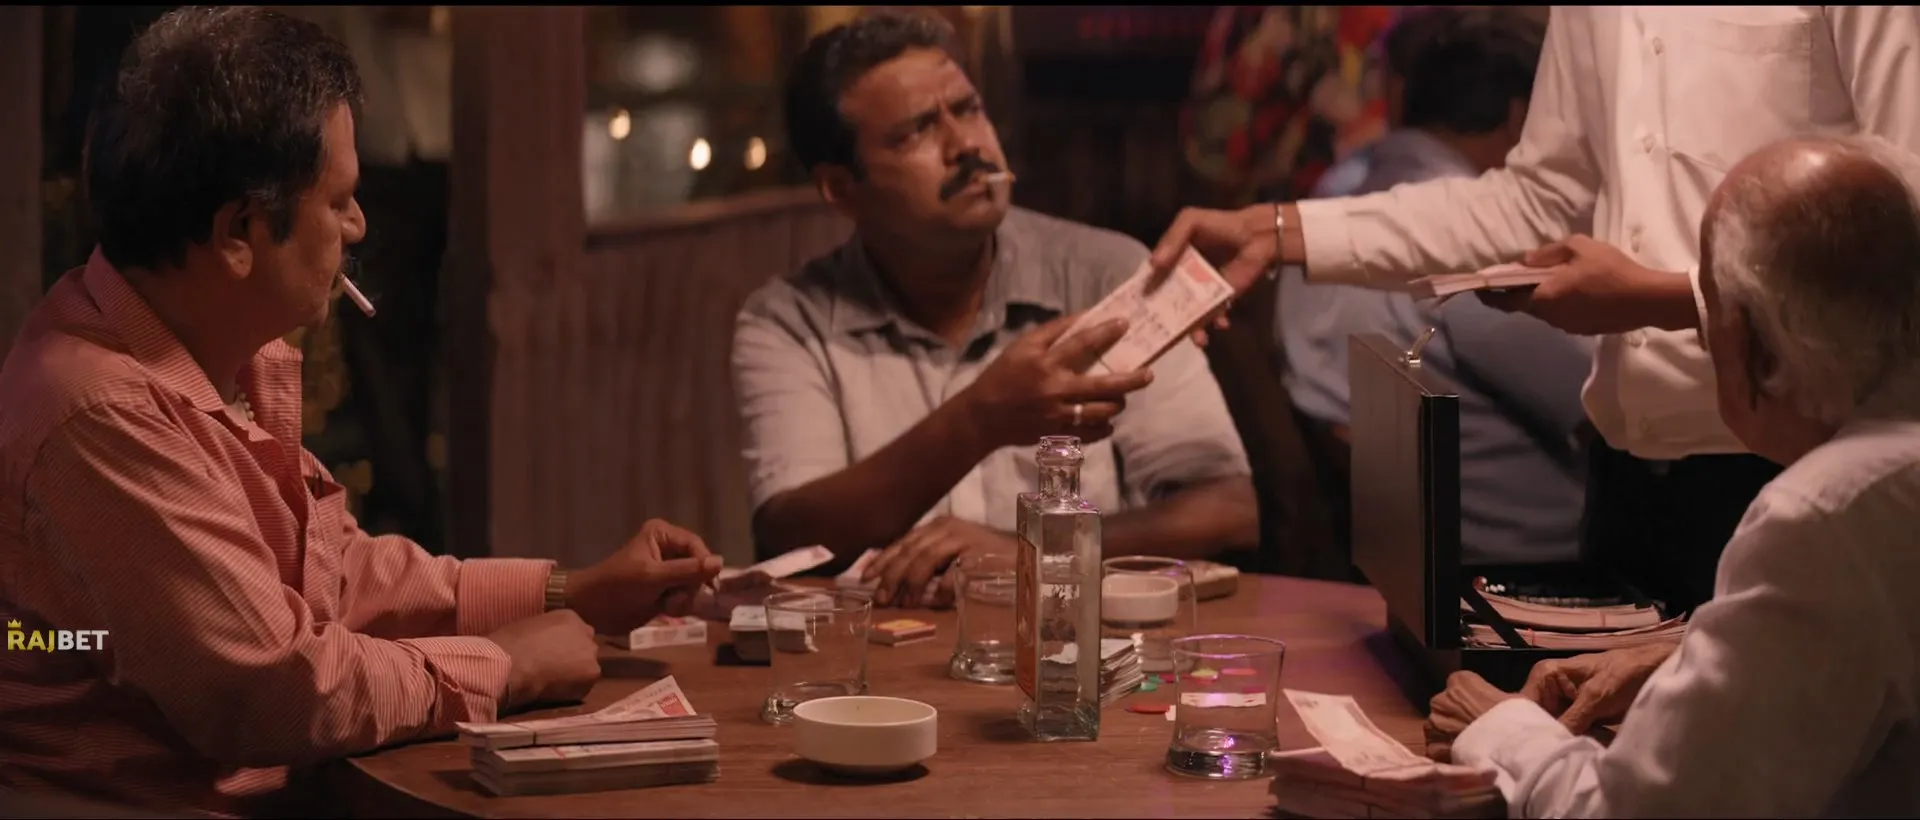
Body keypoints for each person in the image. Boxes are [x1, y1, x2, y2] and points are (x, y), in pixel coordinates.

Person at [0, 8, 721, 816]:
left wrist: (569, 591)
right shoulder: (102, 413)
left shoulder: (202, 349)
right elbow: (272, 688)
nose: (359, 225)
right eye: (339, 199)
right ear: (238, 231)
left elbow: (333, 572)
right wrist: (504, 665)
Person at [1152, 6, 1920, 616]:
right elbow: (1540, 197)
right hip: (1626, 483)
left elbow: (1903, 219)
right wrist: (1279, 230)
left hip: (1801, 459)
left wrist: (1667, 299)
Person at [1427, 134, 1920, 816]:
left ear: (1744, 345)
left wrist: (1500, 729)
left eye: (1704, 318)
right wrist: (1684, 654)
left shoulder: (1823, 515)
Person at [734, 11, 1259, 607]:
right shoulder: (790, 321)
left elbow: (1229, 510)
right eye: (916, 132)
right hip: (887, 655)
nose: (967, 145)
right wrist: (979, 420)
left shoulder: (1106, 273)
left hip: (1080, 645)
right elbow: (789, 534)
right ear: (841, 188)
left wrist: (1038, 548)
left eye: (968, 109)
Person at [1277, 8, 1591, 566]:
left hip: (1372, 544)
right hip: (1508, 564)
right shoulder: (1477, 245)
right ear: (1520, 118)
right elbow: (1595, 399)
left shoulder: (1327, 200)